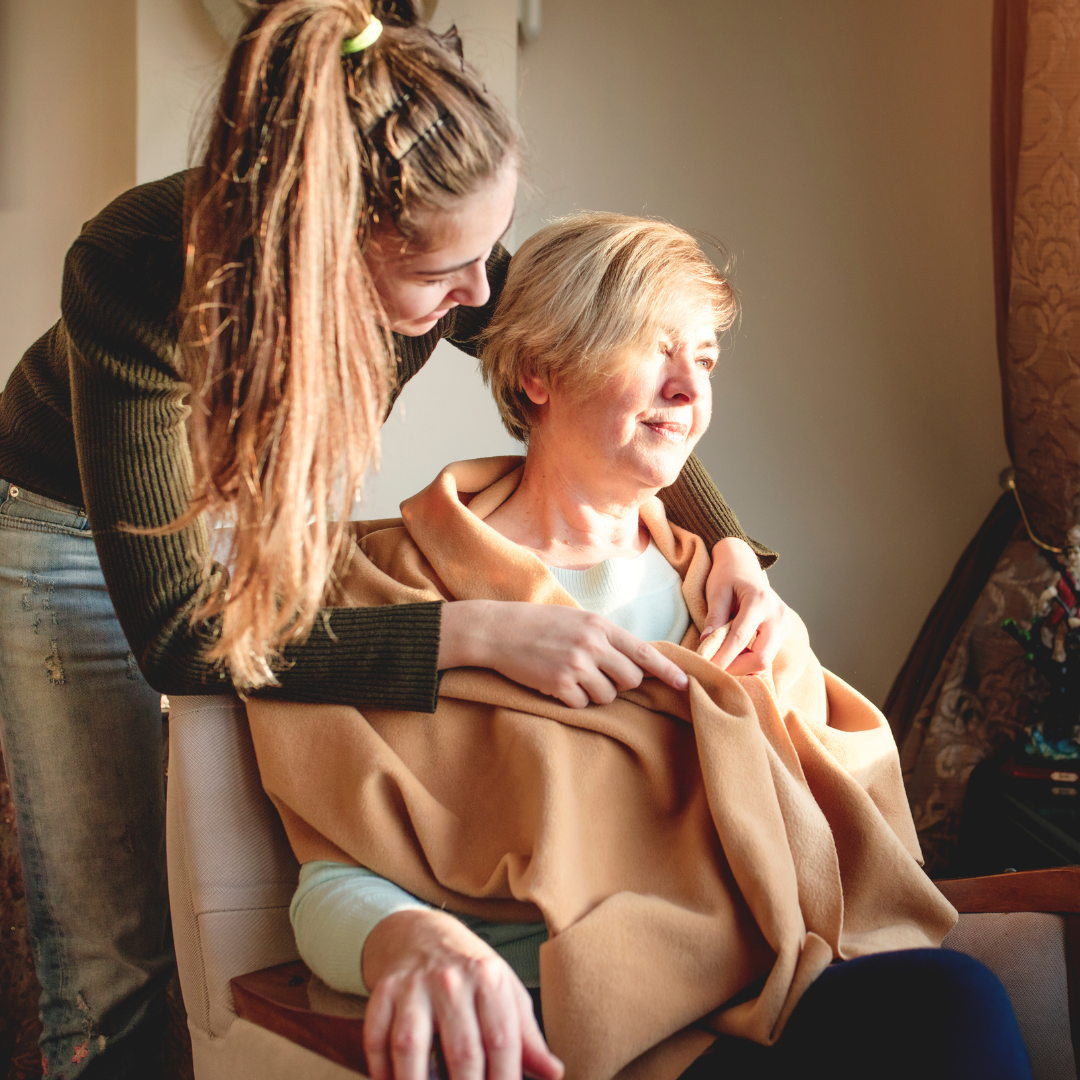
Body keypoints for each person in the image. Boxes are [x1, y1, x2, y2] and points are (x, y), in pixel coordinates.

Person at [0, 2, 788, 1076]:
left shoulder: (440, 234)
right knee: (119, 959)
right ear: (321, 248)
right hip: (67, 528)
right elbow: (186, 639)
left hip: (257, 508)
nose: (479, 301)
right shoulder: (135, 277)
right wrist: (470, 633)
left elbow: (579, 351)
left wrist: (726, 538)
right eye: (439, 281)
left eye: (485, 256)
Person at [248, 213, 1033, 1080]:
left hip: (767, 989)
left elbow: (853, 855)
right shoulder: (387, 591)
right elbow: (331, 880)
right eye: (652, 348)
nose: (689, 391)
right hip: (564, 1019)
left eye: (704, 359)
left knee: (952, 1001)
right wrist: (409, 938)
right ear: (540, 371)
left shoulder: (731, 598)